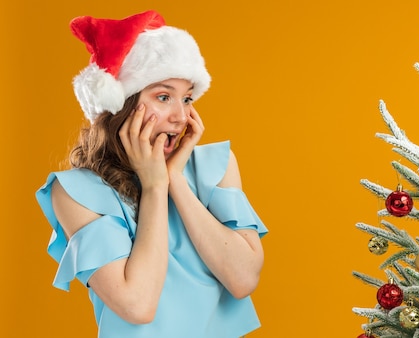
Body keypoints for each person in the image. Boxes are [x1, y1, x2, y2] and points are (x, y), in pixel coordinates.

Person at [35, 10, 268, 338]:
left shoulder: (216, 165)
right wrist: (155, 185)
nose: (181, 116)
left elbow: (243, 280)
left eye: (187, 98)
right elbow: (138, 305)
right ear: (122, 105)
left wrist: (175, 181)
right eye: (163, 96)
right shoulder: (76, 192)